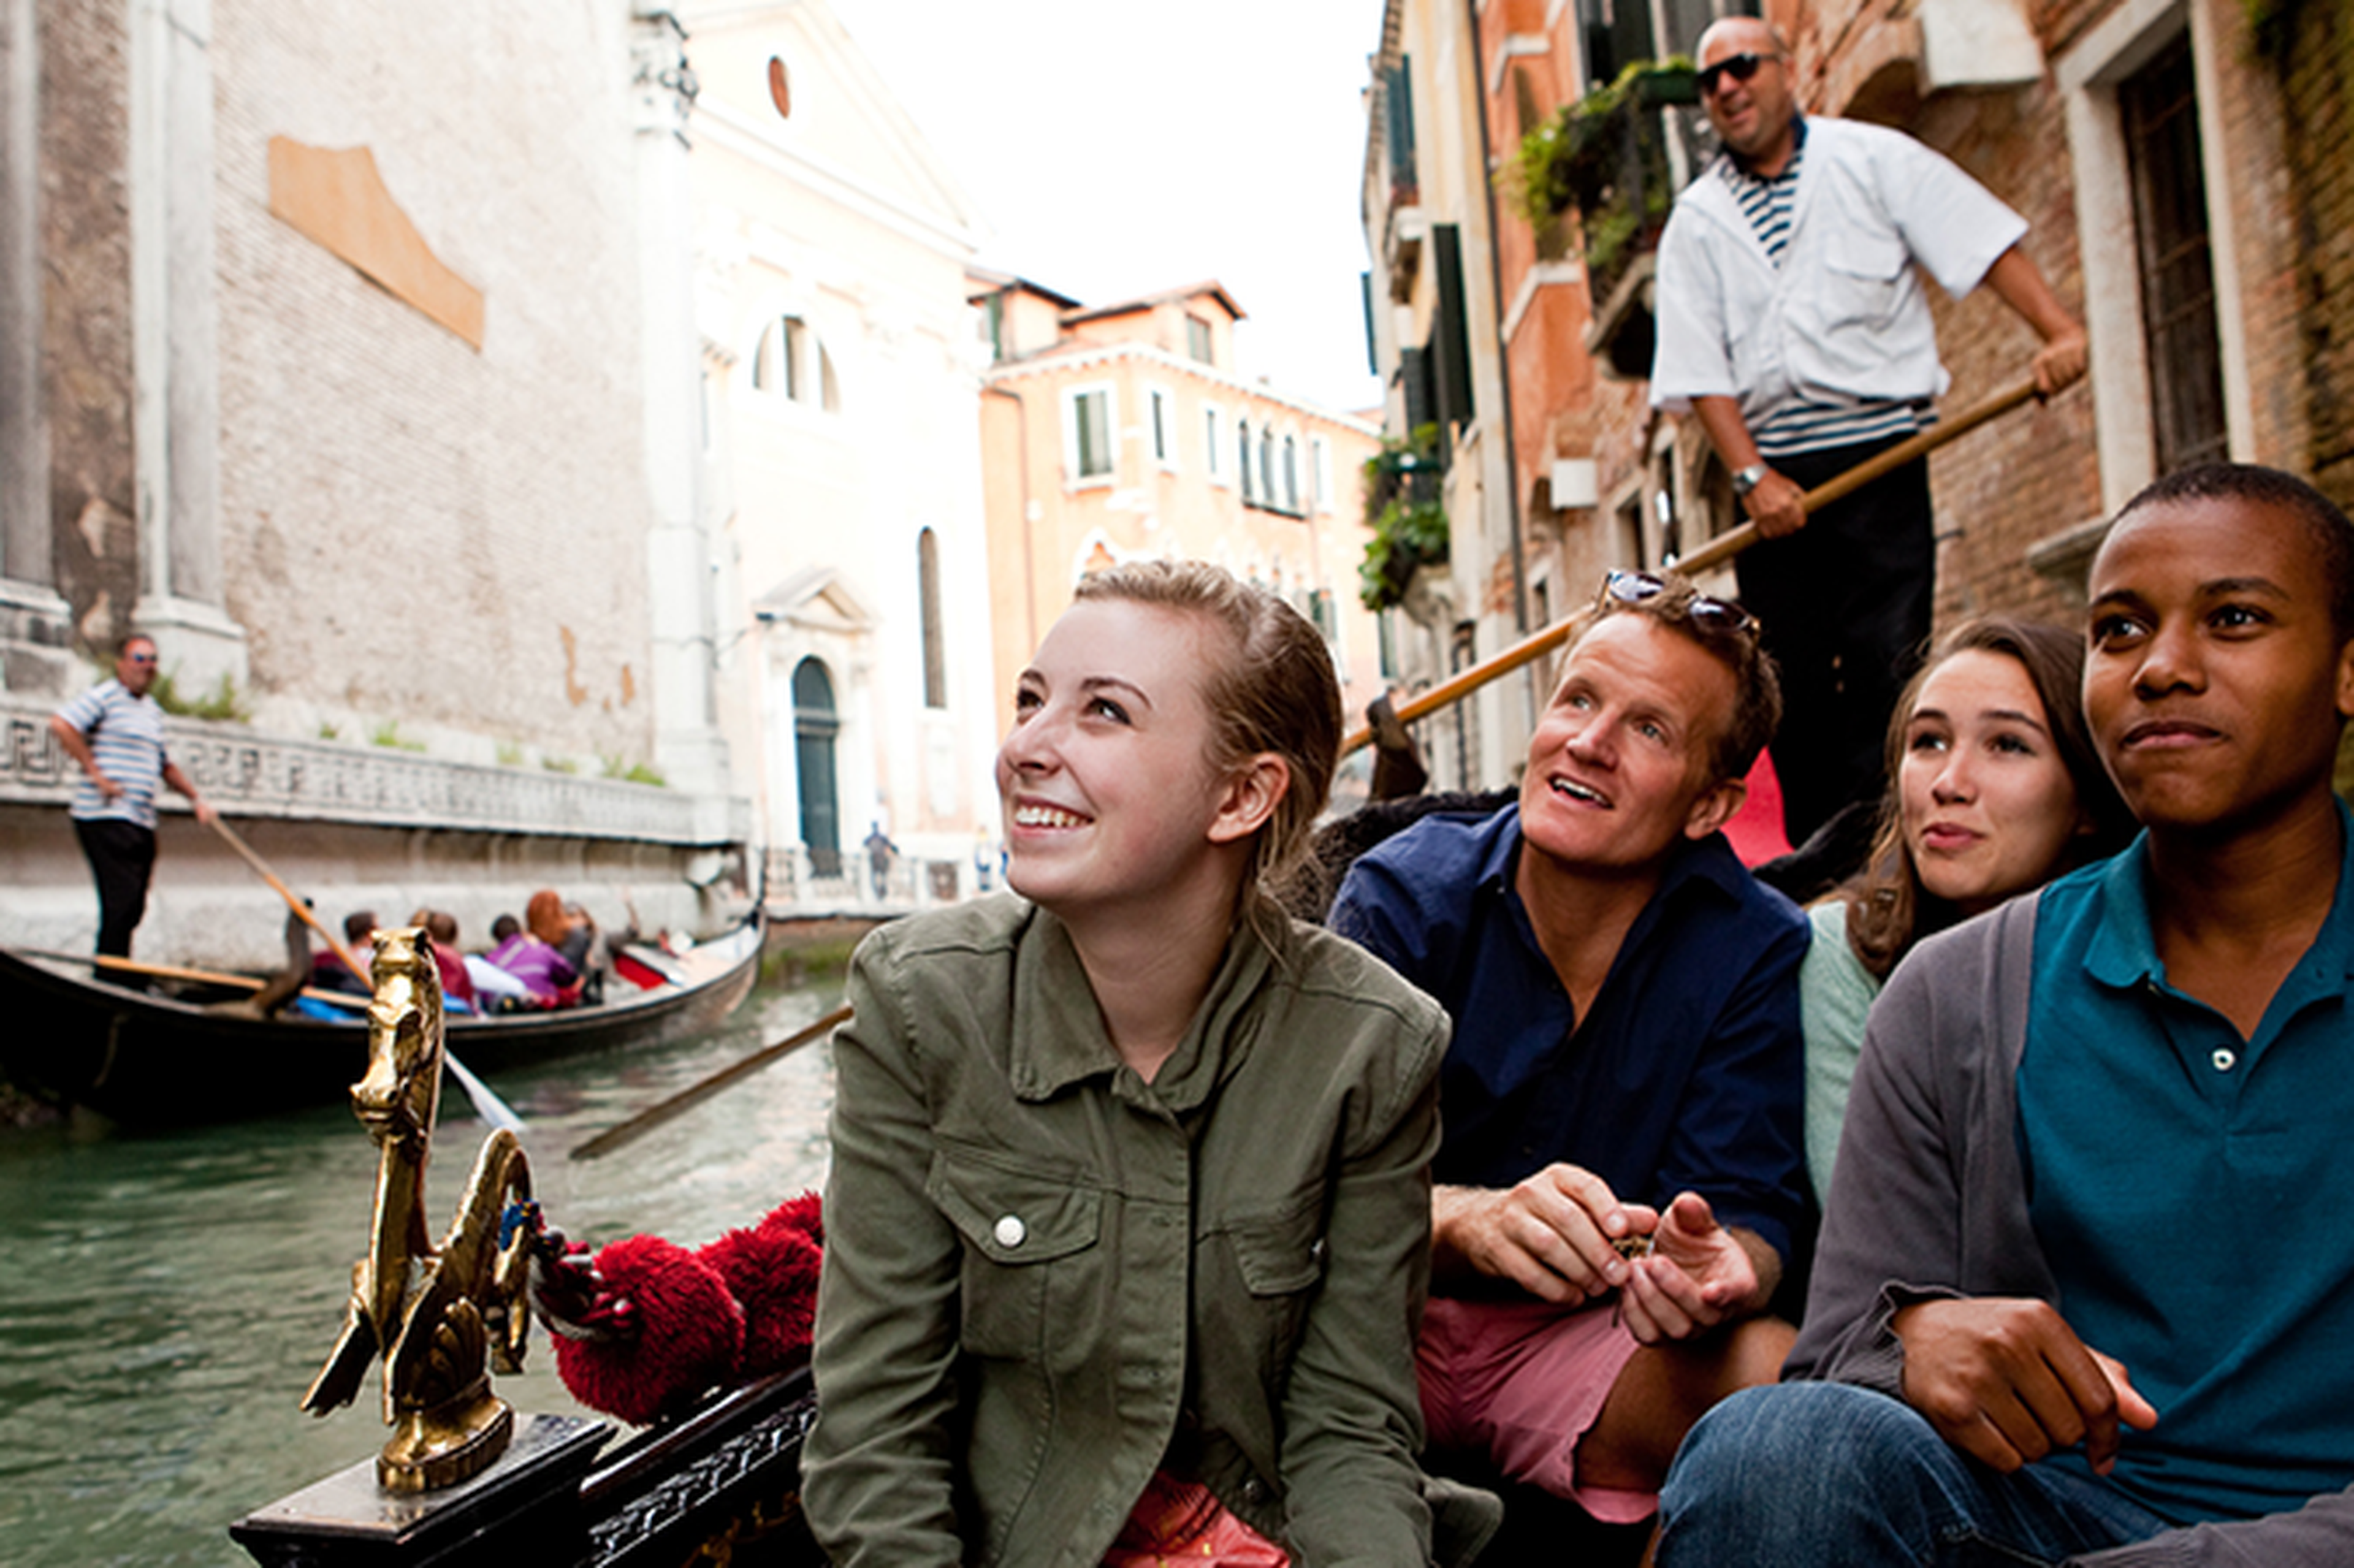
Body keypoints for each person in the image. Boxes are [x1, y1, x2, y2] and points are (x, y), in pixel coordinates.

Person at [1656, 462, 2354, 1566]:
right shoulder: (1953, 994)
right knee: (1778, 1448)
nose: (2163, 667)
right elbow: (1836, 1359)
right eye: (2120, 630)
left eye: (2233, 619)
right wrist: (1915, 1344)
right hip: (2053, 1523)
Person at [803, 560, 1493, 1567]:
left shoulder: (1374, 1044)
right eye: (1031, 699)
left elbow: (1348, 1430)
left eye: (1104, 712)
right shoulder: (920, 1002)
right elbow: (876, 1439)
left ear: (1242, 795)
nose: (1024, 747)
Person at [1327, 568, 1808, 1533]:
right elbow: (1297, 1181)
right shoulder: (1402, 894)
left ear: (1709, 806)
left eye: (1649, 728)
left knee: (1784, 1390)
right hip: (1371, 1325)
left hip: (1587, 1343)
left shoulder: (1754, 944)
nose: (1588, 742)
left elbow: (1749, 1207)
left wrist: (1721, 1271)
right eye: (1579, 700)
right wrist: (1469, 1222)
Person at [1650, 16, 2090, 850]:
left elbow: (1978, 240)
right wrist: (1752, 477)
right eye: (1710, 80)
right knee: (1788, 685)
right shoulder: (1697, 219)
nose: (1728, 88)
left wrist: (2058, 333)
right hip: (1774, 479)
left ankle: (1892, 847)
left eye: (1743, 67)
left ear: (1786, 71)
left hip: (1883, 453)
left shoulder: (1873, 159)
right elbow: (1700, 366)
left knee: (1891, 662)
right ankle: (1826, 861)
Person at [1799, 617, 2133, 1194]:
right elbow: (1878, 1209)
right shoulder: (1846, 951)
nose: (1949, 783)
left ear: (2088, 798)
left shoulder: (2148, 963)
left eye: (2008, 745)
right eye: (1928, 741)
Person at [47, 633, 216, 958]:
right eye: (139, 658)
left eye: (152, 660)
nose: (147, 666)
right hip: (105, 815)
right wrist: (96, 774)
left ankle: (118, 966)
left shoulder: (152, 712)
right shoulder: (106, 696)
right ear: (122, 664)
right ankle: (112, 972)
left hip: (140, 819)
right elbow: (62, 724)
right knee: (121, 900)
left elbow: (164, 765)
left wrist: (197, 800)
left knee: (134, 903)